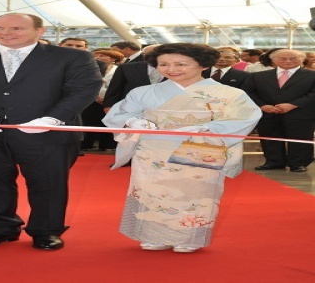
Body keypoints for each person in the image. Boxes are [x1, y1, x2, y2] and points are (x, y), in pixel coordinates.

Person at [0, 13, 102, 251]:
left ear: (40, 31)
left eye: (16, 28)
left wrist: (52, 119)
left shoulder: (73, 57)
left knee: (48, 184)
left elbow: (83, 90)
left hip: (47, 133)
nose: (6, 33)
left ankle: (46, 231)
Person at [103, 43, 261, 253]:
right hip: (153, 151)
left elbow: (245, 117)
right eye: (163, 64)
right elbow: (119, 113)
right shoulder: (144, 92)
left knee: (196, 192)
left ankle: (189, 237)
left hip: (201, 147)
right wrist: (133, 122)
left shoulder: (230, 94)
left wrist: (207, 127)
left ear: (203, 65)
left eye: (180, 64)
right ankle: (152, 234)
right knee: (150, 191)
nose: (171, 69)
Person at [243, 49, 315, 172]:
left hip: (300, 113)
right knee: (270, 138)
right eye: (283, 58)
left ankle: (298, 163)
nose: (287, 61)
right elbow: (248, 92)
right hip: (268, 113)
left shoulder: (312, 75)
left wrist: (293, 105)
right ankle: (273, 162)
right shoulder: (258, 76)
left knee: (300, 139)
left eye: (293, 58)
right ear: (274, 60)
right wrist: (263, 105)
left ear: (302, 60)